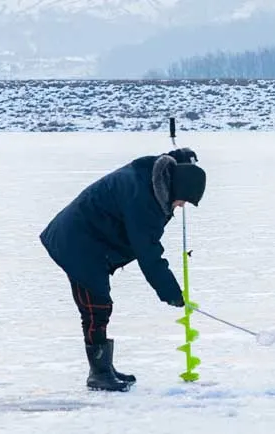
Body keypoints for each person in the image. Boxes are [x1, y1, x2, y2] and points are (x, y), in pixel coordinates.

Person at [39, 147, 206, 392]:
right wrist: (171, 293)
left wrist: (182, 156)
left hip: (91, 240)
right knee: (96, 307)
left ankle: (104, 368)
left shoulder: (155, 177)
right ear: (177, 189)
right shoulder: (143, 199)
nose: (181, 206)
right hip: (76, 241)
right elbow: (148, 253)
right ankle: (99, 373)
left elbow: (171, 164)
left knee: (98, 305)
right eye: (183, 200)